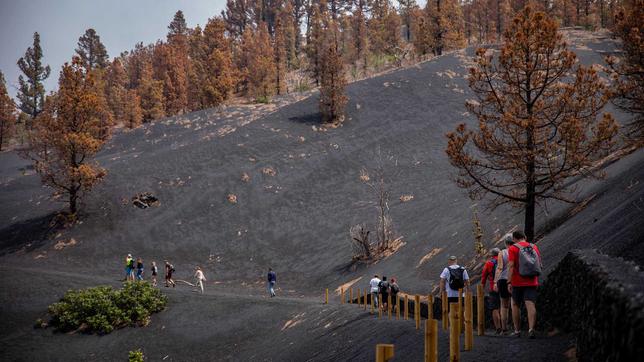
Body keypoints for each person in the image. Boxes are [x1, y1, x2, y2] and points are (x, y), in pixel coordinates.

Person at [507, 230, 542, 339]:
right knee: (530, 304)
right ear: (524, 236)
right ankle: (531, 329)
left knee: (515, 305)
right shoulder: (533, 246)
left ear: (514, 239)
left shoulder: (513, 248)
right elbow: (539, 263)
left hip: (517, 281)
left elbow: (511, 266)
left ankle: (517, 331)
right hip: (532, 280)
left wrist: (509, 281)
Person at [494, 234, 514, 334]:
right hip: (515, 279)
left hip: (503, 280)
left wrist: (495, 281)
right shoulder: (517, 251)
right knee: (514, 304)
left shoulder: (502, 253)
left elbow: (499, 268)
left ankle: (504, 329)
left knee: (504, 305)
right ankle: (516, 328)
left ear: (505, 243)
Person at [482, 248, 501, 334]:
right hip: (505, 285)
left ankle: (498, 328)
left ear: (492, 255)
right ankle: (504, 327)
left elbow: (483, 277)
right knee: (505, 306)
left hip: (493, 287)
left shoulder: (489, 263)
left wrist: (482, 288)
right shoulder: (505, 261)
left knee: (494, 308)